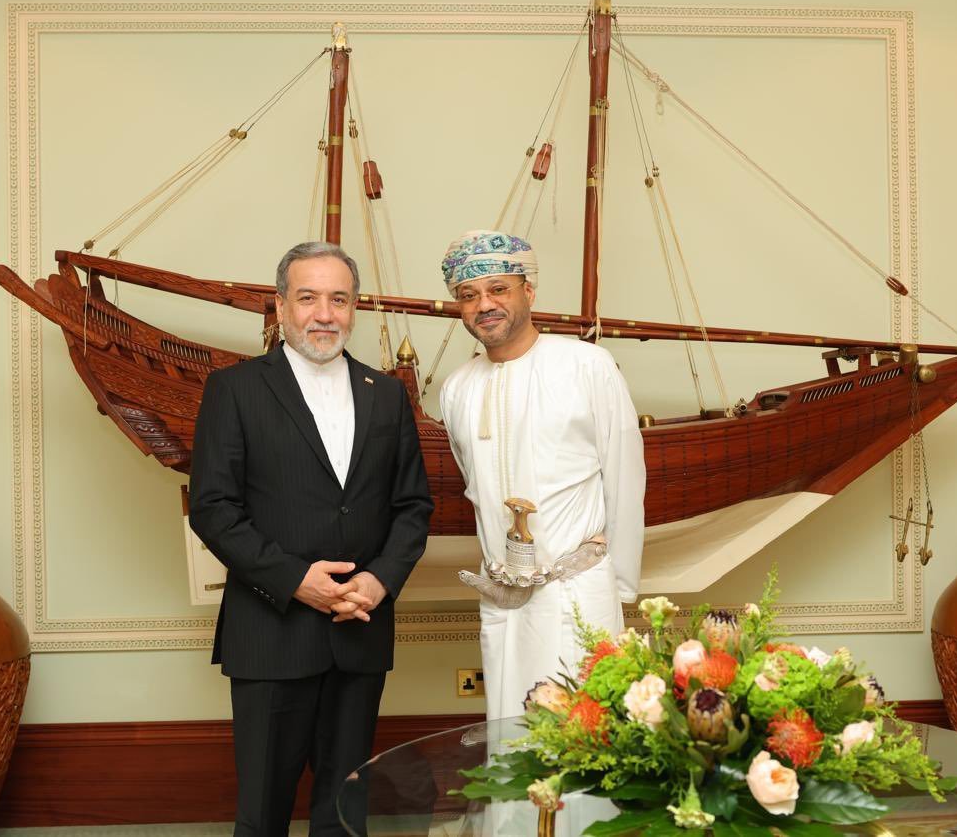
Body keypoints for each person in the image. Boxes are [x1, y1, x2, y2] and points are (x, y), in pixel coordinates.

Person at [190, 241, 433, 837]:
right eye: (308, 298)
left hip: (360, 631)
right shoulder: (234, 389)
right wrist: (297, 581)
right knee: (262, 817)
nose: (324, 314)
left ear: (354, 308)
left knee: (344, 815)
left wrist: (378, 581)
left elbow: (412, 506)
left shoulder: (387, 394)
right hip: (270, 634)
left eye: (339, 299)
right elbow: (213, 509)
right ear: (280, 307)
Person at [438, 229, 645, 721]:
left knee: (587, 737)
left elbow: (625, 479)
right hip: (503, 599)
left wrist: (617, 590)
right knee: (511, 737)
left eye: (498, 289)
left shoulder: (587, 365)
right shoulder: (456, 389)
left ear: (528, 291)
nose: (484, 305)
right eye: (469, 295)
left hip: (580, 594)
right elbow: (475, 485)